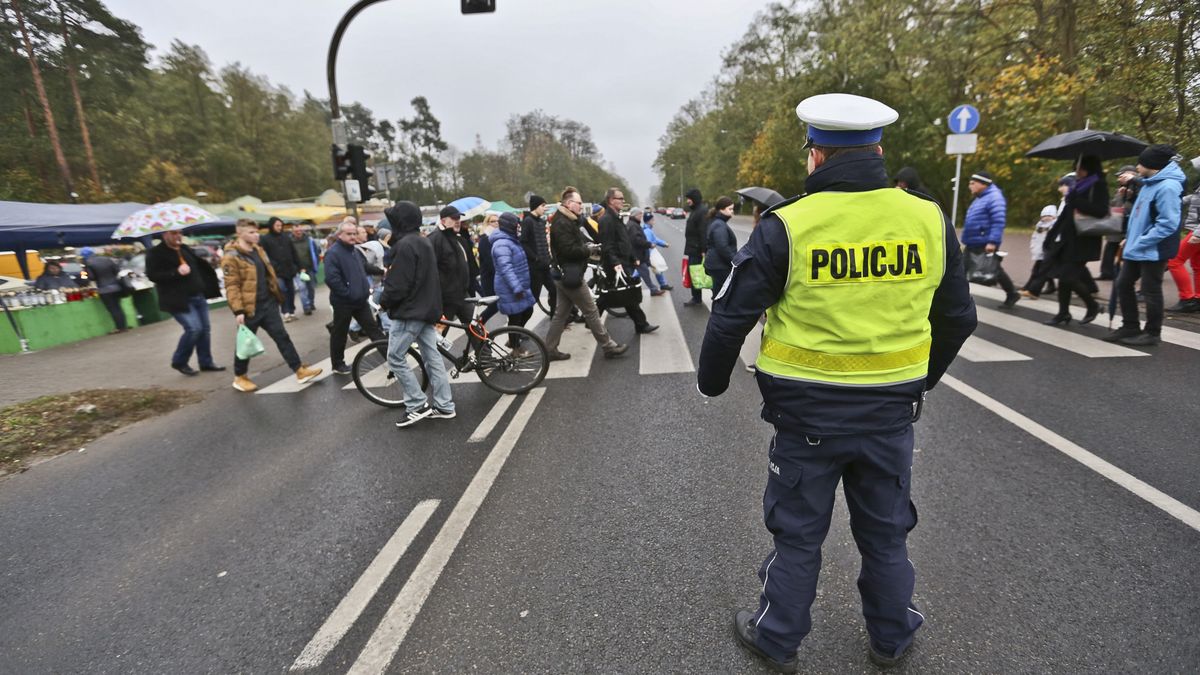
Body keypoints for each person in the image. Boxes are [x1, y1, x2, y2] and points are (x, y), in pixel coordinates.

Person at [697, 93, 976, 672]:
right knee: (886, 532)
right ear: (877, 150)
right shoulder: (927, 218)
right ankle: (892, 637)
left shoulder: (790, 224)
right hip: (890, 415)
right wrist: (921, 382)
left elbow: (731, 316)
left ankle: (777, 638)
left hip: (807, 419)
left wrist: (713, 383)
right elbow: (959, 317)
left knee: (798, 534)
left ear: (816, 157)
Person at [378, 201, 455, 427]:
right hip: (426, 309)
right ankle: (444, 405)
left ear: (399, 221)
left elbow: (398, 284)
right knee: (433, 359)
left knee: (395, 357)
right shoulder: (423, 242)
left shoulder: (404, 246)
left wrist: (384, 301)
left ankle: (416, 403)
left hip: (410, 311)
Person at [221, 220, 321, 391]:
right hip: (249, 308)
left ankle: (298, 370)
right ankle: (240, 376)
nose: (256, 235)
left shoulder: (258, 250)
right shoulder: (231, 257)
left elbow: (268, 274)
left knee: (282, 336)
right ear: (240, 233)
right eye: (251, 232)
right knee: (245, 344)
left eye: (256, 232)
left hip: (268, 303)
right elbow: (232, 286)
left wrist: (275, 295)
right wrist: (238, 310)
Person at [1104, 145, 1185, 346]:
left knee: (1150, 290)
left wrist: (1141, 240)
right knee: (1123, 284)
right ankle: (1130, 325)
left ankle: (1152, 333)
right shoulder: (1151, 183)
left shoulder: (1168, 187)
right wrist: (1130, 238)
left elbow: (1168, 223)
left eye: (1141, 163)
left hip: (1154, 248)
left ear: (1152, 165)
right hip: (1138, 246)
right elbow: (1141, 215)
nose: (1137, 167)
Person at [542, 186, 627, 361]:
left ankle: (549, 349)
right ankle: (608, 346)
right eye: (579, 203)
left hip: (563, 275)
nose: (581, 206)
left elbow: (582, 239)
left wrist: (590, 242)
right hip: (569, 276)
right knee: (591, 311)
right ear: (569, 203)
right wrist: (588, 250)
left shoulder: (569, 220)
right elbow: (569, 250)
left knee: (561, 315)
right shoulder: (561, 223)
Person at [145, 230, 223, 375]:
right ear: (165, 235)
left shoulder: (184, 249)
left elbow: (199, 267)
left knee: (205, 330)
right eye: (173, 233)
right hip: (179, 299)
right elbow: (152, 275)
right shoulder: (155, 253)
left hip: (198, 296)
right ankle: (179, 361)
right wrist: (176, 272)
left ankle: (206, 362)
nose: (178, 236)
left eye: (179, 233)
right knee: (194, 329)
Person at [1042, 156, 1108, 326]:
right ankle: (1063, 313)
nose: (1077, 172)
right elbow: (1065, 214)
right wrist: (1052, 235)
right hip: (1068, 238)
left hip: (1085, 238)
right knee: (1063, 278)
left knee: (1067, 277)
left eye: (1081, 169)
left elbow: (1101, 211)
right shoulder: (1078, 185)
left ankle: (1092, 305)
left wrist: (1076, 200)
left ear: (1090, 168)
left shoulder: (1098, 184)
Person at [325, 220, 386, 374]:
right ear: (340, 235)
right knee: (340, 333)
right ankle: (338, 364)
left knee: (373, 329)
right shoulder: (333, 253)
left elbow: (364, 267)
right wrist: (348, 293)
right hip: (343, 302)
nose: (353, 236)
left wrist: (381, 271)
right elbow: (332, 279)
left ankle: (390, 357)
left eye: (354, 233)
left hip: (360, 300)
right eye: (349, 234)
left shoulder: (355, 250)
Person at [597, 187, 658, 334]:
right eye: (620, 198)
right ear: (611, 200)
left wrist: (633, 257)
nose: (623, 201)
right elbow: (607, 245)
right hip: (616, 264)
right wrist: (616, 263)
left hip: (623, 261)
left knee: (612, 296)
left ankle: (640, 324)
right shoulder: (606, 220)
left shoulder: (616, 217)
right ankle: (641, 324)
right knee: (621, 295)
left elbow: (624, 241)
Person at [962, 171, 1020, 308]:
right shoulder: (981, 197)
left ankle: (1012, 293)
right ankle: (959, 298)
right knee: (964, 269)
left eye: (973, 183)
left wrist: (992, 242)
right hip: (975, 241)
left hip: (984, 241)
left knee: (993, 269)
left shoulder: (994, 197)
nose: (970, 186)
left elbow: (998, 221)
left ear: (983, 184)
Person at [489, 212, 537, 351]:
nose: (519, 228)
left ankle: (514, 339)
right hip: (509, 288)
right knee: (515, 318)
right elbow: (506, 268)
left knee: (527, 311)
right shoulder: (501, 244)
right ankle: (515, 349)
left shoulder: (511, 240)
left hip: (519, 285)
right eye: (516, 225)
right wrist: (516, 288)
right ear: (509, 226)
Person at [432, 205, 473, 338]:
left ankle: (486, 358)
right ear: (443, 221)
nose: (458, 221)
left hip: (462, 295)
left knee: (475, 329)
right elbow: (431, 270)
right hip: (446, 299)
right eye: (454, 218)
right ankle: (430, 359)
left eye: (459, 218)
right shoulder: (434, 239)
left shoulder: (457, 238)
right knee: (438, 336)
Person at [1165, 155, 1200, 314]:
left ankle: (1187, 298)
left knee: (1174, 261)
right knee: (1197, 266)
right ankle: (1198, 299)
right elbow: (1194, 199)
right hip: (1196, 230)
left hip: (1197, 232)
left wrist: (1198, 234)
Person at [259, 217, 301, 322]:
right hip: (276, 272)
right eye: (277, 225)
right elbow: (264, 255)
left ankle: (291, 311)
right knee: (282, 291)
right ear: (271, 226)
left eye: (280, 225)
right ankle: (285, 312)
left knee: (291, 291)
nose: (279, 227)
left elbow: (293, 252)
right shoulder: (265, 239)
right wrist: (273, 266)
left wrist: (297, 265)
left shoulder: (286, 237)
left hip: (289, 270)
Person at [521, 194, 557, 313]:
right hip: (535, 268)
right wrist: (535, 258)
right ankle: (521, 323)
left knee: (553, 290)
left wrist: (549, 258)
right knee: (533, 298)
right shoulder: (527, 221)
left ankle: (554, 317)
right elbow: (524, 243)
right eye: (542, 205)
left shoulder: (541, 222)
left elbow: (544, 243)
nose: (544, 208)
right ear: (535, 206)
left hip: (545, 265)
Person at [79, 248, 128, 332]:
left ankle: (120, 328)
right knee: (118, 308)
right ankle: (123, 326)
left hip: (104, 290)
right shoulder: (107, 259)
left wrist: (83, 273)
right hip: (116, 287)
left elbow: (91, 277)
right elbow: (117, 271)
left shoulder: (87, 263)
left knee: (113, 309)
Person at [1019, 205, 1059, 298]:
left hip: (1049, 251)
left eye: (1049, 216)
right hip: (1041, 251)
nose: (1046, 218)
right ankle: (1034, 287)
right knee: (1040, 270)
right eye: (1044, 216)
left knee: (1040, 271)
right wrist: (1034, 249)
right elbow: (1035, 239)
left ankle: (1032, 290)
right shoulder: (1039, 227)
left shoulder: (1054, 226)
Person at [625, 207, 663, 296]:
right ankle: (652, 290)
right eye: (640, 214)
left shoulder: (633, 224)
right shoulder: (633, 225)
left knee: (634, 274)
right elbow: (637, 240)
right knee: (644, 273)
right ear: (635, 215)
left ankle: (631, 290)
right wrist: (649, 244)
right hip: (637, 255)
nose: (641, 216)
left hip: (636, 254)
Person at [704, 196, 738, 294]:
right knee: (723, 295)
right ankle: (718, 309)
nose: (732, 211)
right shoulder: (719, 224)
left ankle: (717, 309)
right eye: (730, 209)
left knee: (718, 293)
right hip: (719, 266)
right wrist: (735, 262)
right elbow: (722, 247)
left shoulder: (718, 222)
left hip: (717, 265)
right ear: (721, 209)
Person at [683, 187, 708, 306]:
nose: (687, 201)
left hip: (697, 249)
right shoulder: (696, 210)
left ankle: (697, 298)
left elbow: (703, 231)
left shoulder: (701, 211)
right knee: (695, 273)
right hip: (693, 248)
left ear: (695, 199)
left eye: (689, 198)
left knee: (697, 273)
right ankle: (696, 297)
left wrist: (704, 250)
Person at [290, 224, 320, 316]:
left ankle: (311, 302)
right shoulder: (289, 242)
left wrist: (316, 263)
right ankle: (306, 307)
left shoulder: (309, 240)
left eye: (300, 230)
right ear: (293, 232)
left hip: (309, 267)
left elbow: (316, 251)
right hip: (297, 269)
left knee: (311, 287)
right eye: (296, 231)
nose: (298, 232)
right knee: (302, 288)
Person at [477, 212, 501, 324]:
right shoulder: (485, 239)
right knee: (493, 307)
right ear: (487, 223)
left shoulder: (497, 236)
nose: (496, 223)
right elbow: (489, 261)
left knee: (497, 305)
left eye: (497, 221)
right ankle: (478, 324)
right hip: (489, 278)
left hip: (496, 276)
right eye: (493, 221)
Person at [641, 212, 673, 290]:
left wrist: (664, 244)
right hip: (649, 253)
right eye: (653, 220)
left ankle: (663, 284)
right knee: (641, 270)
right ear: (649, 221)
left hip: (650, 253)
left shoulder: (647, 229)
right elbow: (648, 243)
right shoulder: (647, 231)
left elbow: (655, 239)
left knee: (657, 268)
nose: (654, 221)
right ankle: (631, 279)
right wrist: (648, 256)